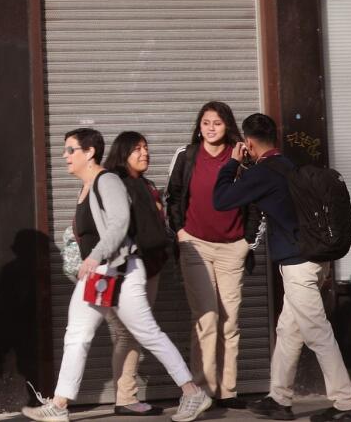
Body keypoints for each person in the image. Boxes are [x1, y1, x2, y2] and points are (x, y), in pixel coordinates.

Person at [22, 128, 211, 422]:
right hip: (100, 274)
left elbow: (120, 222)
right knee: (77, 335)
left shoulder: (106, 180)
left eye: (71, 150)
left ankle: (192, 392)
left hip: (120, 271)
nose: (65, 156)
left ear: (89, 153)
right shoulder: (85, 187)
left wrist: (95, 256)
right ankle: (59, 405)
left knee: (147, 333)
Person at [214, 113, 351, 422]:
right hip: (315, 260)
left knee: (318, 334)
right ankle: (278, 398)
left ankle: (347, 404)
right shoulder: (289, 166)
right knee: (288, 330)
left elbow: (221, 199)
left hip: (298, 266)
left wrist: (232, 163)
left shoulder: (263, 173)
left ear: (249, 144)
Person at [165, 100, 256, 410]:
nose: (211, 127)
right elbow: (174, 196)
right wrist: (179, 232)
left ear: (227, 125)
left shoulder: (241, 156)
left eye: (217, 122)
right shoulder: (187, 156)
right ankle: (202, 390)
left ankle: (227, 391)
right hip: (196, 245)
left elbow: (257, 197)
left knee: (230, 322)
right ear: (199, 126)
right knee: (206, 318)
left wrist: (248, 241)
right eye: (206, 122)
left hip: (233, 248)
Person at [99, 131, 167, 417]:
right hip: (125, 269)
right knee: (128, 334)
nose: (145, 153)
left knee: (129, 335)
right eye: (137, 149)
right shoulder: (117, 184)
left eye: (146, 148)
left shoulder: (146, 185)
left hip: (149, 267)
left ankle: (125, 395)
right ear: (123, 153)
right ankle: (125, 397)